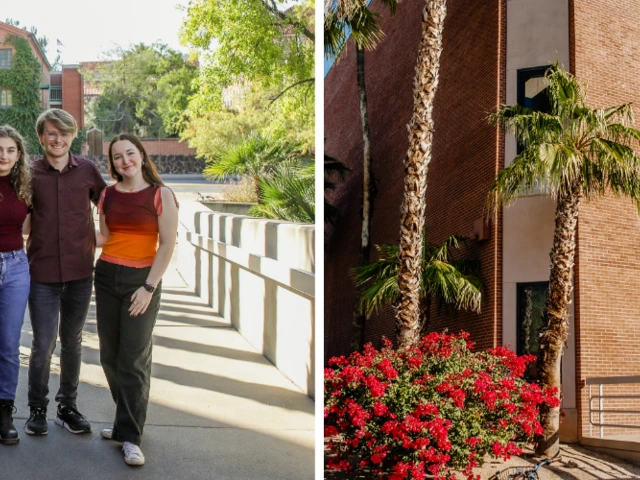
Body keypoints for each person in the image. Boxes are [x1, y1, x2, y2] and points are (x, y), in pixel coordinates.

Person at [94, 133, 178, 466]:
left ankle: (129, 436)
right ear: (112, 163)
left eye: (130, 154)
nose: (125, 161)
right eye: (117, 157)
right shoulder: (107, 195)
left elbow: (167, 244)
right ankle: (124, 423)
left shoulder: (161, 195)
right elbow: (103, 237)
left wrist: (148, 287)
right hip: (106, 277)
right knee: (109, 356)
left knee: (133, 359)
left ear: (141, 155)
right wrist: (64, 228)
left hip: (140, 281)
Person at [25, 109, 106, 436]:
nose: (58, 139)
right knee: (43, 344)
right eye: (51, 133)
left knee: (72, 341)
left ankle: (67, 406)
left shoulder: (87, 171)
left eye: (64, 133)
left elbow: (110, 205)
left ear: (73, 136)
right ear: (41, 137)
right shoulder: (28, 173)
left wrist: (102, 239)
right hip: (41, 273)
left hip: (79, 272)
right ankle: (37, 409)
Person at [0, 126, 32, 445]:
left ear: (18, 154)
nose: (3, 155)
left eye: (10, 150)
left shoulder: (25, 186)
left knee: (9, 345)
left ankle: (5, 411)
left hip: (16, 267)